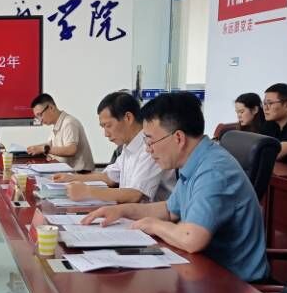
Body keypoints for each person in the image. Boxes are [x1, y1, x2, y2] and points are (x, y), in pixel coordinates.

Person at [82, 92, 268, 282]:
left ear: (178, 138)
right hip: (203, 270)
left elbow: (191, 238)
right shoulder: (196, 161)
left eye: (150, 141)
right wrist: (121, 211)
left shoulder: (214, 170)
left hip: (236, 285)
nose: (148, 149)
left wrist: (153, 225)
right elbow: (169, 210)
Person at [51, 91, 174, 203]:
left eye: (108, 125)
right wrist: (71, 178)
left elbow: (135, 194)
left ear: (128, 118)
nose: (106, 134)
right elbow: (109, 177)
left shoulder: (149, 146)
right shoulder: (128, 147)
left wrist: (88, 191)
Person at [25, 93, 95, 171]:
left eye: (40, 115)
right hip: (67, 172)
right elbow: (51, 145)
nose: (40, 120)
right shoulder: (56, 124)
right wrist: (35, 148)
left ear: (51, 107)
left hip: (80, 174)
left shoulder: (69, 123)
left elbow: (71, 150)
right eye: (37, 117)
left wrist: (43, 149)